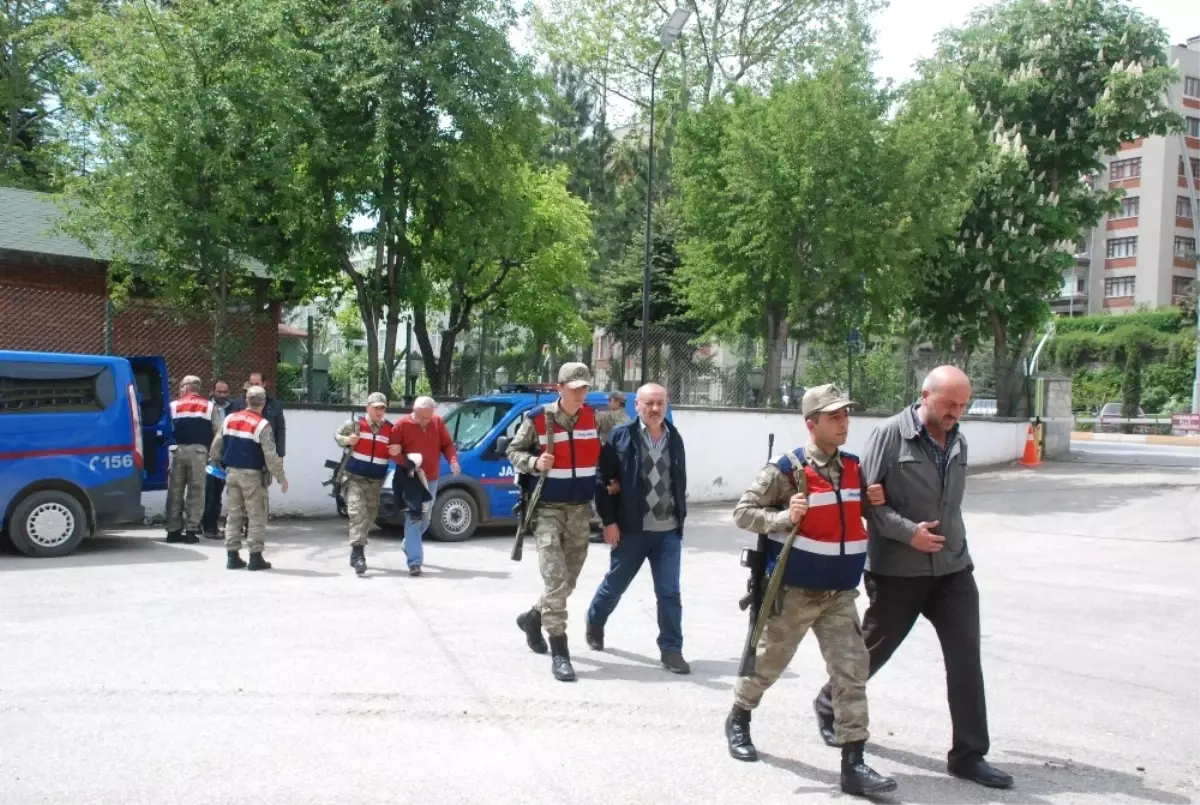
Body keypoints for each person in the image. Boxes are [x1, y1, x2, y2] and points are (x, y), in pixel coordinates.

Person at [812, 366, 1013, 790]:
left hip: (953, 568)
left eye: (963, 405)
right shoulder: (890, 435)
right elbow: (866, 501)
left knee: (965, 659)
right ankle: (830, 703)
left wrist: (949, 546)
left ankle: (968, 755)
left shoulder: (957, 438)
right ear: (925, 395)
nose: (955, 412)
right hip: (898, 570)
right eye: (948, 404)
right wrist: (909, 533)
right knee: (871, 652)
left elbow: (950, 504)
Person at [725, 384, 896, 797]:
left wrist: (874, 502)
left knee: (851, 673)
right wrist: (784, 516)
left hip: (839, 593)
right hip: (796, 591)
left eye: (845, 415)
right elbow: (742, 513)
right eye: (834, 416)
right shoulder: (786, 469)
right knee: (767, 664)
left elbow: (856, 516)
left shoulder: (856, 468)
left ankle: (853, 762)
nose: (843, 422)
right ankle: (739, 717)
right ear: (811, 423)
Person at [506, 362, 627, 681]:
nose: (580, 394)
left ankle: (533, 618)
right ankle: (560, 652)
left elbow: (619, 440)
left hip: (580, 511)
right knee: (556, 580)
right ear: (559, 388)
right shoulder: (537, 419)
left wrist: (614, 480)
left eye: (584, 388)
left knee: (568, 581)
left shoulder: (595, 419)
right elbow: (512, 451)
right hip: (547, 510)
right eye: (574, 389)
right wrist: (533, 461)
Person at [586, 383, 690, 674]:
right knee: (614, 586)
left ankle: (672, 649)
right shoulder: (621, 437)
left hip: (668, 530)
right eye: (649, 403)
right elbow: (601, 480)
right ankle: (595, 620)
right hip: (631, 530)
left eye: (660, 403)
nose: (655, 409)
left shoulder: (675, 438)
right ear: (637, 406)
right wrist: (608, 522)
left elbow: (677, 479)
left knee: (669, 592)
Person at [209, 385, 287, 571]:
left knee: (234, 515)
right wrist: (281, 477)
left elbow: (216, 445)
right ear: (264, 403)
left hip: (232, 474)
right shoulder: (262, 425)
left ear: (246, 400)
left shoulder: (229, 419)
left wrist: (215, 462)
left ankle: (232, 556)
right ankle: (255, 557)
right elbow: (270, 455)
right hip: (252, 476)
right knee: (256, 515)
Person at [387, 396, 460, 576]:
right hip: (410, 478)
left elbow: (447, 445)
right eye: (423, 417)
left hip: (431, 478)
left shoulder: (437, 422)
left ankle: (409, 543)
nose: (427, 421)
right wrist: (405, 461)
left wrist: (453, 460)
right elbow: (392, 452)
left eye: (430, 417)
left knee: (426, 518)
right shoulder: (400, 426)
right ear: (415, 410)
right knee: (414, 517)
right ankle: (415, 562)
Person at [334, 392, 394, 576]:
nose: (379, 411)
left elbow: (398, 448)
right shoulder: (355, 425)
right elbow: (337, 436)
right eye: (376, 407)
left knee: (370, 515)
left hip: (376, 481)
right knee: (357, 513)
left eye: (382, 408)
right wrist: (347, 440)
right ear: (367, 407)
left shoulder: (390, 429)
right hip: (354, 478)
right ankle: (358, 554)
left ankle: (357, 547)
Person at [165, 375, 222, 545]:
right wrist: (214, 456)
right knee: (196, 492)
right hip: (199, 452)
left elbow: (167, 429)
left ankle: (173, 530)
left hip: (177, 452)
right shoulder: (209, 406)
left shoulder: (173, 406)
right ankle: (191, 531)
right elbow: (219, 432)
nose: (180, 390)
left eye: (181, 387)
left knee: (175, 491)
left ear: (187, 388)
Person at [200, 379, 233, 539]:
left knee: (230, 493)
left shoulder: (234, 409)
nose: (222, 395)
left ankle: (231, 527)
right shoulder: (206, 407)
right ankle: (209, 527)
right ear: (212, 392)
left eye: (225, 392)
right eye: (219, 392)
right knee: (210, 493)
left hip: (229, 456)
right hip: (210, 456)